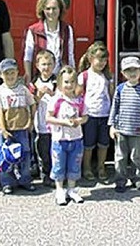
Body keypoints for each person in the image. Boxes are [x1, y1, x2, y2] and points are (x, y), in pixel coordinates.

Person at [0, 58, 37, 194]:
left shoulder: (23, 89)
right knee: (6, 156)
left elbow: (32, 104)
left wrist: (30, 121)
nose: (10, 76)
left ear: (17, 72)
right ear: (0, 75)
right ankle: (7, 182)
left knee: (25, 155)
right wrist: (3, 129)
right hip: (7, 130)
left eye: (12, 73)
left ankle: (25, 180)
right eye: (6, 74)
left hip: (22, 128)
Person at [108, 56, 140, 193]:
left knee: (135, 156)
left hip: (138, 130)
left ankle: (137, 178)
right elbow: (114, 108)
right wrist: (112, 125)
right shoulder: (120, 89)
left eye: (135, 70)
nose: (132, 73)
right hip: (121, 129)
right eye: (128, 70)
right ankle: (120, 180)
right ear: (123, 73)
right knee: (120, 156)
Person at [46, 66, 88, 206]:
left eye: (72, 82)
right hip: (60, 139)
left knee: (74, 164)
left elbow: (85, 117)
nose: (69, 85)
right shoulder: (56, 100)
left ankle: (71, 189)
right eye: (66, 82)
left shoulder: (79, 101)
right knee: (59, 165)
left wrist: (79, 121)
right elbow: (48, 118)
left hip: (76, 138)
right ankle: (59, 190)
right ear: (59, 83)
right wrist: (64, 122)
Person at [76, 41, 112, 182]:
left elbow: (111, 94)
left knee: (104, 143)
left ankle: (101, 167)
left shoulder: (108, 76)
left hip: (105, 114)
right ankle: (87, 167)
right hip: (89, 115)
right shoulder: (84, 76)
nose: (102, 62)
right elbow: (78, 95)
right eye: (99, 59)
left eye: (104, 59)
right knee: (88, 144)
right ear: (91, 59)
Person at [23, 0, 75, 84]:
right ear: (42, 10)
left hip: (61, 78)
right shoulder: (33, 30)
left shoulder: (67, 29)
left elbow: (70, 55)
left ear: (60, 10)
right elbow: (28, 57)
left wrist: (72, 76)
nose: (51, 12)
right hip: (40, 78)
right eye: (48, 9)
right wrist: (28, 76)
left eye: (54, 8)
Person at [29, 49, 57, 187]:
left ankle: (56, 174)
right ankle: (45, 174)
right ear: (38, 66)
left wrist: (53, 94)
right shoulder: (34, 83)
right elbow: (30, 103)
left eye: (50, 64)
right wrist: (38, 96)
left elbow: (64, 100)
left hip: (56, 125)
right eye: (44, 64)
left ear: (55, 64)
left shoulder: (58, 81)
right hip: (40, 124)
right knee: (43, 151)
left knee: (55, 151)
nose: (47, 67)